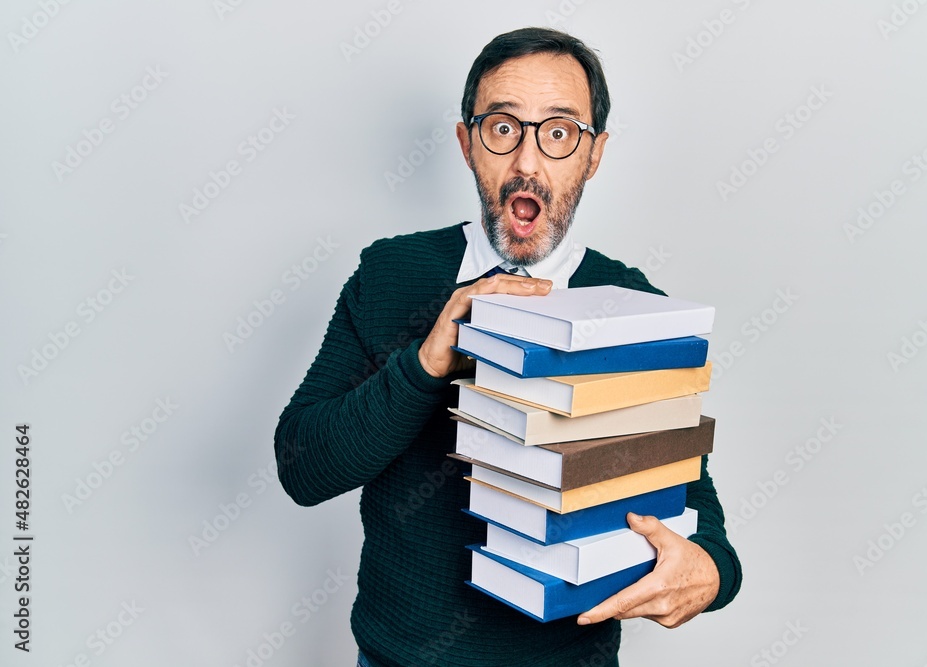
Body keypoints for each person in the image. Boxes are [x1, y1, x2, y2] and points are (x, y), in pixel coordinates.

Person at [274, 27, 741, 667]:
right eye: (502, 129)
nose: (527, 162)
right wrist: (427, 360)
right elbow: (302, 466)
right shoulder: (390, 274)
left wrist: (712, 571)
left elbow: (693, 506)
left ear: (594, 154)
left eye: (558, 133)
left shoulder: (632, 303)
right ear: (467, 144)